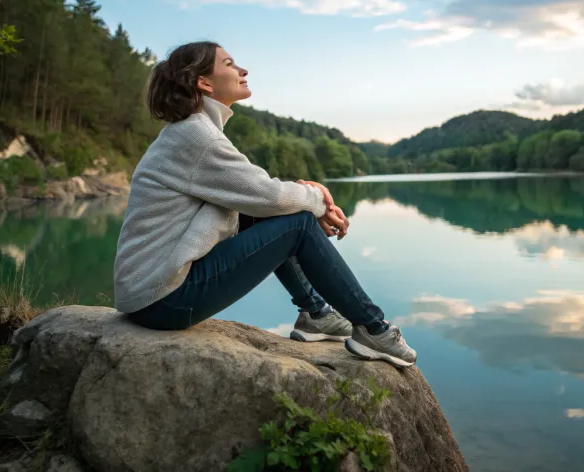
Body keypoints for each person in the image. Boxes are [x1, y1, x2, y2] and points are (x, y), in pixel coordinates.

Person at [113, 41, 416, 368]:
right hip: (162, 300)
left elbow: (258, 195)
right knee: (298, 225)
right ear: (203, 82)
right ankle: (374, 329)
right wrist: (319, 201)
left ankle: (317, 314)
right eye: (230, 64)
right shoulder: (196, 136)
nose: (242, 71)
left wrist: (307, 198)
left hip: (151, 296)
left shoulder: (191, 132)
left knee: (282, 214)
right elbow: (268, 195)